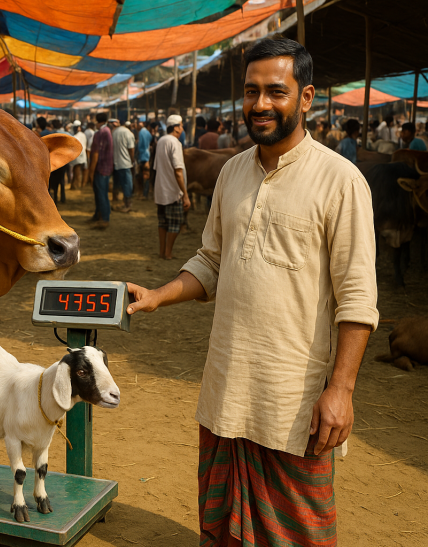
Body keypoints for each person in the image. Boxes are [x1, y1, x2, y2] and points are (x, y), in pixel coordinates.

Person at [127, 37, 377, 547]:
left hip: (293, 401)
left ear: (306, 97)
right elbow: (211, 262)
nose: (260, 104)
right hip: (227, 388)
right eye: (251, 91)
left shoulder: (341, 181)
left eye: (275, 92)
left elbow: (357, 298)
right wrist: (158, 295)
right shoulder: (232, 173)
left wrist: (341, 390)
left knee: (299, 532)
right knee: (222, 527)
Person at [153, 114, 188, 260]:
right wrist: (185, 194)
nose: (182, 129)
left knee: (163, 223)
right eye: (181, 125)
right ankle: (168, 253)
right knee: (175, 223)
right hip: (173, 191)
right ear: (175, 128)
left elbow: (156, 167)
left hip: (161, 190)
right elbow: (178, 171)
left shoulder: (161, 141)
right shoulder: (175, 143)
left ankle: (162, 251)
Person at [87, 112, 113, 229]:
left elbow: (96, 154)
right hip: (106, 167)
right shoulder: (108, 131)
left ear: (97, 121)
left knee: (101, 194)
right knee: (101, 193)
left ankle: (104, 219)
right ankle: (99, 216)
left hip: (100, 168)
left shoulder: (100, 133)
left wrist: (91, 172)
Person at [111, 117, 135, 213]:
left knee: (116, 183)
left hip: (115, 162)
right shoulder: (128, 133)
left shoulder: (114, 132)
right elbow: (131, 149)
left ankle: (116, 201)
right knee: (127, 184)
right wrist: (133, 161)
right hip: (125, 163)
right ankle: (127, 204)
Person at [48, 119, 68, 204]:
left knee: (52, 180)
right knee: (61, 180)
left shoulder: (51, 134)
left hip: (53, 160)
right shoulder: (66, 134)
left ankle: (53, 200)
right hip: (64, 160)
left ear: (52, 125)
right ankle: (62, 198)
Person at [136, 121, 153, 199]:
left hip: (142, 155)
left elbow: (140, 145)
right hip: (147, 155)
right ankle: (145, 193)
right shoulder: (148, 133)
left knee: (143, 174)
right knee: (146, 174)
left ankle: (144, 193)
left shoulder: (141, 132)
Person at [70, 121, 88, 189]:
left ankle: (77, 185)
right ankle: (75, 185)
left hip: (79, 155)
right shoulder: (79, 135)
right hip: (79, 156)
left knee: (77, 171)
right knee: (76, 170)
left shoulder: (78, 135)